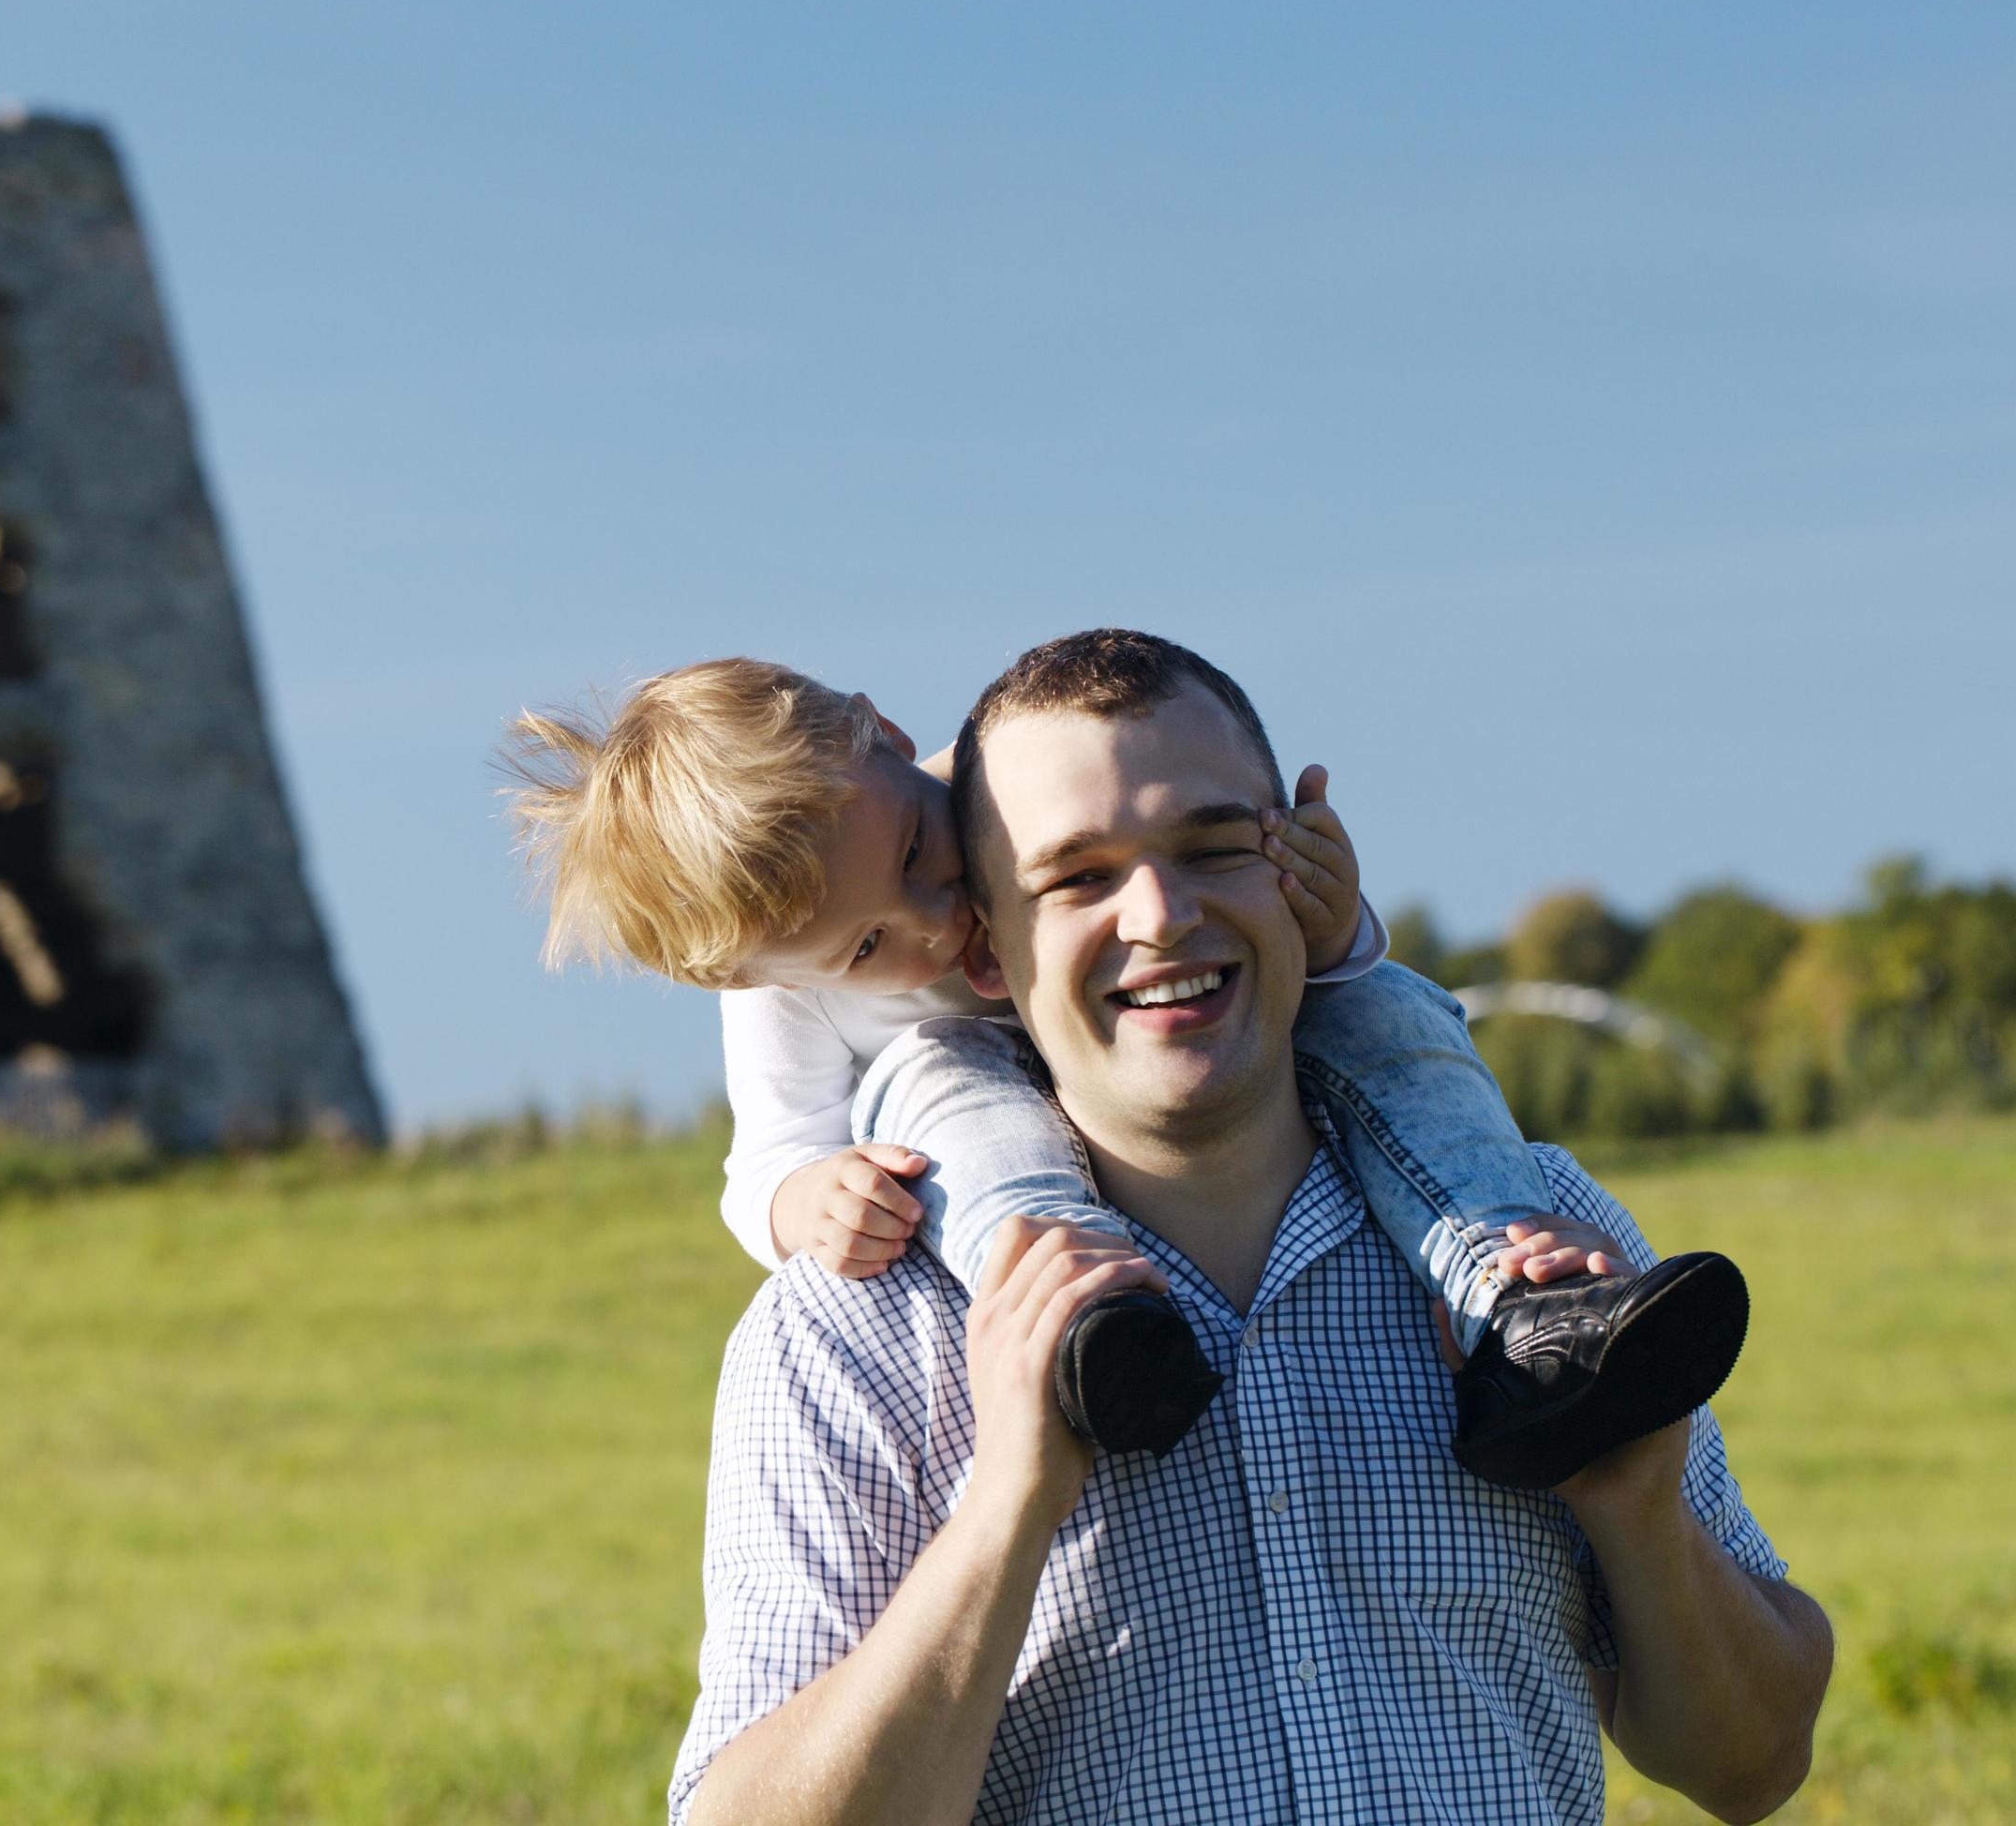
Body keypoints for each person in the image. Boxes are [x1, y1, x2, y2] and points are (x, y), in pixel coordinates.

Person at [666, 629, 1831, 1823]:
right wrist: (1005, 1508)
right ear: (984, 943)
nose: (1162, 916)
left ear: (1302, 858)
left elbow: (1752, 1767)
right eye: (1076, 878)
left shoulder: (1546, 1251)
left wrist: (1639, 1514)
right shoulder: (851, 1328)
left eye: (1218, 844)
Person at [505, 656, 1744, 1487]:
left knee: (1390, 1021)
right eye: (870, 945)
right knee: (949, 1089)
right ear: (756, 978)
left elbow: (1196, 902)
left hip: (1209, 1051)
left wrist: (1327, 925)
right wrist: (801, 1203)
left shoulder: (1010, 782)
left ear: (891, 741)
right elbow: (764, 1160)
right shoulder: (782, 992)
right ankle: (1095, 1336)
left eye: (928, 854)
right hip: (999, 1133)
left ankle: (1513, 1292)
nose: (942, 921)